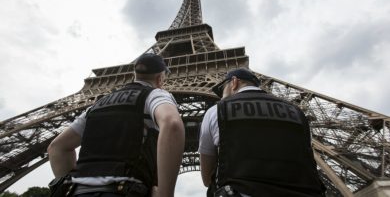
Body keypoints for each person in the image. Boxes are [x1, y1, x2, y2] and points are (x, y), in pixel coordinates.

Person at [48, 53, 185, 197]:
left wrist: (72, 185)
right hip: (125, 190)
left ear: (135, 75)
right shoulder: (155, 94)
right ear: (160, 78)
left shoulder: (97, 105)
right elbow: (172, 124)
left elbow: (56, 147)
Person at [198, 68, 325, 197]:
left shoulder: (216, 111)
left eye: (222, 90)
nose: (221, 96)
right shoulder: (297, 112)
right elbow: (307, 158)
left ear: (234, 82)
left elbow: (207, 178)